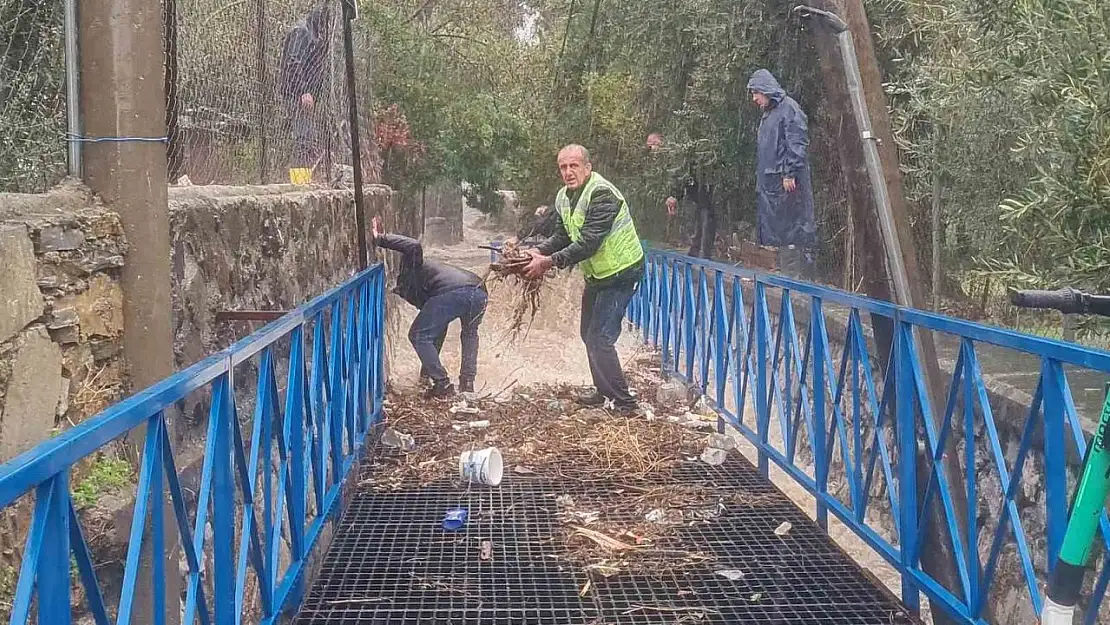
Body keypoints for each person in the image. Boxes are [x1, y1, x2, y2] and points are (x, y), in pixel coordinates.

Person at [522, 145, 644, 414]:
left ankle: (626, 404)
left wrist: (548, 262)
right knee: (587, 333)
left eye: (574, 166)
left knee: (601, 338)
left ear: (588, 167)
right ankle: (603, 392)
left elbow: (589, 243)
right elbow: (563, 236)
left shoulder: (602, 194)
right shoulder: (564, 197)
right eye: (563, 167)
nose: (568, 172)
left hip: (623, 272)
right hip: (598, 274)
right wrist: (539, 250)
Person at [371, 216, 488, 398]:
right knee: (469, 334)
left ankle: (443, 384)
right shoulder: (429, 282)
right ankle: (467, 385)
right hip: (479, 291)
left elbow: (414, 246)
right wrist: (424, 378)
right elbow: (435, 336)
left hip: (454, 291)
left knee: (417, 335)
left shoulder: (411, 270)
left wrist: (380, 238)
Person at [747, 69, 817, 271]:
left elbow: (797, 143)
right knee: (776, 231)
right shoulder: (770, 114)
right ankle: (778, 274)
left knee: (792, 230)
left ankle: (792, 279)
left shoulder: (789, 110)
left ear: (766, 90)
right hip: (771, 187)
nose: (754, 99)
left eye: (756, 93)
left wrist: (789, 173)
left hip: (785, 186)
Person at [279, 4, 330, 185]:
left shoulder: (315, 35)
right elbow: (293, 61)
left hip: (305, 94)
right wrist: (303, 91)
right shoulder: (301, 32)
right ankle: (299, 184)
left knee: (307, 139)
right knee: (305, 140)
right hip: (297, 94)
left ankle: (302, 180)